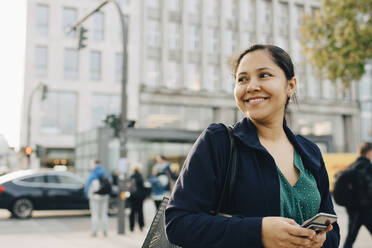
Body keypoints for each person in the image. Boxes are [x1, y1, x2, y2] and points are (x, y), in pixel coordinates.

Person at [165, 44, 340, 247]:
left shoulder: (310, 152)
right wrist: (259, 232)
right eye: (242, 79)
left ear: (290, 86)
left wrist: (321, 240)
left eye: (264, 75)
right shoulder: (218, 141)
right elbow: (178, 223)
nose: (251, 86)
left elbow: (333, 230)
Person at [343, 142, 372, 248]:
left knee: (350, 238)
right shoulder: (367, 167)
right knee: (350, 238)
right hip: (366, 210)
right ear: (368, 152)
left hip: (353, 210)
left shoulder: (352, 166)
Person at [84, 160, 111, 237]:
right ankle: (105, 231)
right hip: (105, 196)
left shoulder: (93, 174)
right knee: (104, 214)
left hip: (95, 197)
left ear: (95, 165)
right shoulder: (105, 173)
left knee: (95, 214)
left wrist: (87, 195)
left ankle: (94, 232)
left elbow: (87, 186)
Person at [128, 164, 146, 231]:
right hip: (139, 197)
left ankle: (131, 227)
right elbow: (143, 187)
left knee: (132, 211)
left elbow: (129, 187)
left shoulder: (131, 177)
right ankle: (141, 226)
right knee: (140, 211)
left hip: (132, 196)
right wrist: (144, 196)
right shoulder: (140, 177)